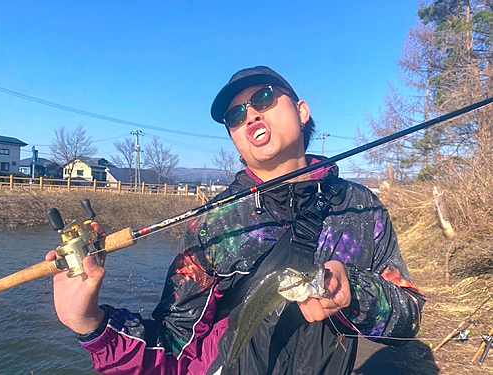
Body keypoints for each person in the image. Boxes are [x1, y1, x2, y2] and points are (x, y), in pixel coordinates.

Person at [47, 66, 426, 374]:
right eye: (235, 114)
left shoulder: (362, 208)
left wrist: (355, 293)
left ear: (302, 110)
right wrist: (92, 325)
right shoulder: (213, 223)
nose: (250, 115)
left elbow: (408, 320)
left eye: (263, 97)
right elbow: (173, 349)